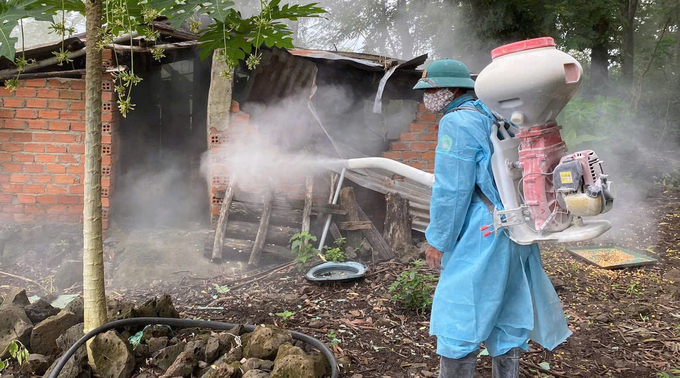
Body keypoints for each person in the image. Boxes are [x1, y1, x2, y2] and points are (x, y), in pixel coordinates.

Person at [412, 58, 571, 378]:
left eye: (433, 90)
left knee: (461, 317)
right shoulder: (496, 116)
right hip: (515, 228)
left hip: (480, 234)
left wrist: (437, 240)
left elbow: (451, 191)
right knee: (508, 314)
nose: (428, 98)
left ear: (453, 89)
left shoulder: (456, 122)